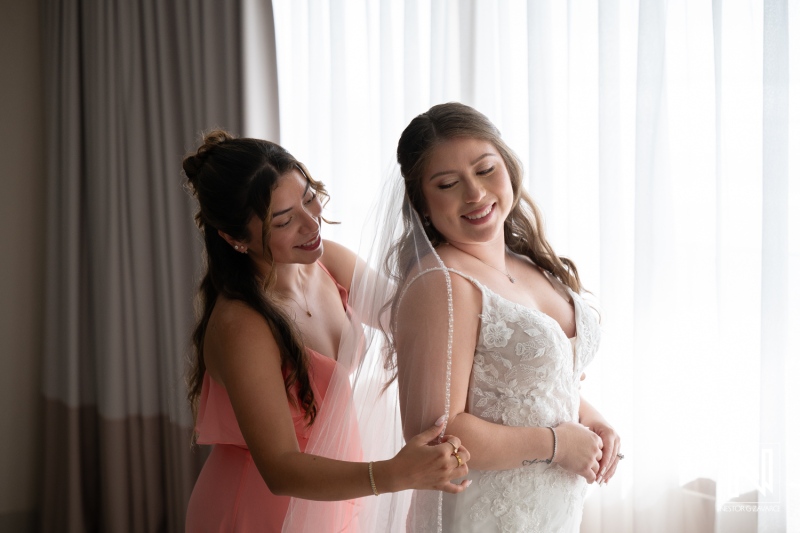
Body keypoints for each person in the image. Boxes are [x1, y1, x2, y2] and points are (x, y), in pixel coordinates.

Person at [182, 130, 471, 533]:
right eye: (284, 220)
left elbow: (419, 322)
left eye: (308, 197)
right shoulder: (241, 326)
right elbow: (280, 470)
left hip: (337, 490)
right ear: (235, 239)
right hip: (261, 510)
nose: (311, 222)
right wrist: (395, 474)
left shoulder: (327, 263)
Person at [382, 102, 621, 532]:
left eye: (485, 169)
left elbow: (529, 387)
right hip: (482, 516)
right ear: (423, 205)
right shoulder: (442, 283)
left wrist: (593, 419)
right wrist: (557, 445)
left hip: (549, 514)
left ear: (508, 167)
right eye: (448, 184)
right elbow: (437, 436)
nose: (474, 194)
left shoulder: (530, 264)